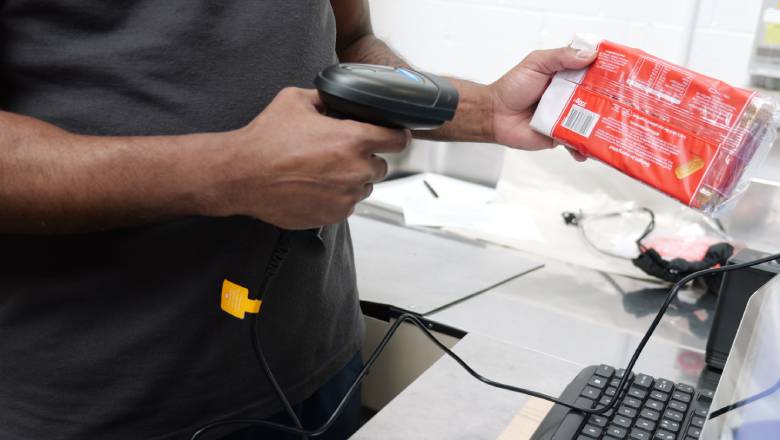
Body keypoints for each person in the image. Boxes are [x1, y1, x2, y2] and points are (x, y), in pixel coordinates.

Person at [0, 1, 594, 439]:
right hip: (108, 404)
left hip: (319, 367)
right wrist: (226, 173)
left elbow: (349, 42)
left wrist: (485, 110)